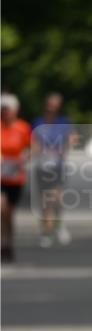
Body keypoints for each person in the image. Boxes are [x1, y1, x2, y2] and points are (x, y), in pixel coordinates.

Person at [32, 92, 73, 248]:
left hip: (57, 166)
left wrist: (63, 150)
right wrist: (37, 151)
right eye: (50, 106)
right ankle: (45, 230)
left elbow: (69, 139)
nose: (52, 109)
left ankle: (58, 225)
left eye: (55, 107)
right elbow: (33, 142)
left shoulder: (62, 123)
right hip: (42, 166)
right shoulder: (38, 123)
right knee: (44, 201)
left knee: (56, 197)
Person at [1, 93, 32, 263]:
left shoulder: (22, 127)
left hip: (15, 177)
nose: (5, 113)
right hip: (0, 177)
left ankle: (8, 242)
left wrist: (24, 157)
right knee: (1, 208)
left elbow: (31, 148)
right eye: (2, 110)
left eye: (8, 110)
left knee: (8, 215)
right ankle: (2, 243)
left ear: (15, 111)